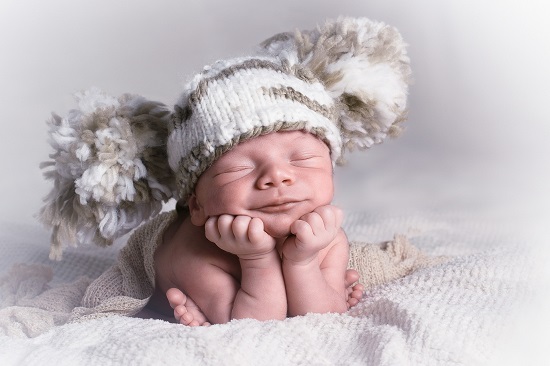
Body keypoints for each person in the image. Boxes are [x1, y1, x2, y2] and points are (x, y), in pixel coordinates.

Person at [38, 16, 411, 326]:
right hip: (190, 258)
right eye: (240, 169)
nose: (276, 177)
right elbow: (256, 327)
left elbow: (323, 316)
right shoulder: (195, 254)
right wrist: (257, 261)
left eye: (301, 159)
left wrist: (304, 262)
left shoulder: (324, 236)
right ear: (196, 204)